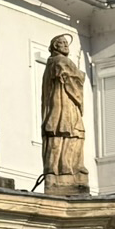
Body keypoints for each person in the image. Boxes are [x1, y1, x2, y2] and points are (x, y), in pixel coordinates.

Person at [41, 34, 89, 192]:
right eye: (61, 43)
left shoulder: (55, 62)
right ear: (55, 47)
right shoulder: (60, 61)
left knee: (72, 132)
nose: (65, 45)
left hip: (66, 102)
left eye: (66, 43)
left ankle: (68, 167)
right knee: (65, 131)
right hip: (64, 102)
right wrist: (80, 76)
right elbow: (70, 82)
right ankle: (64, 169)